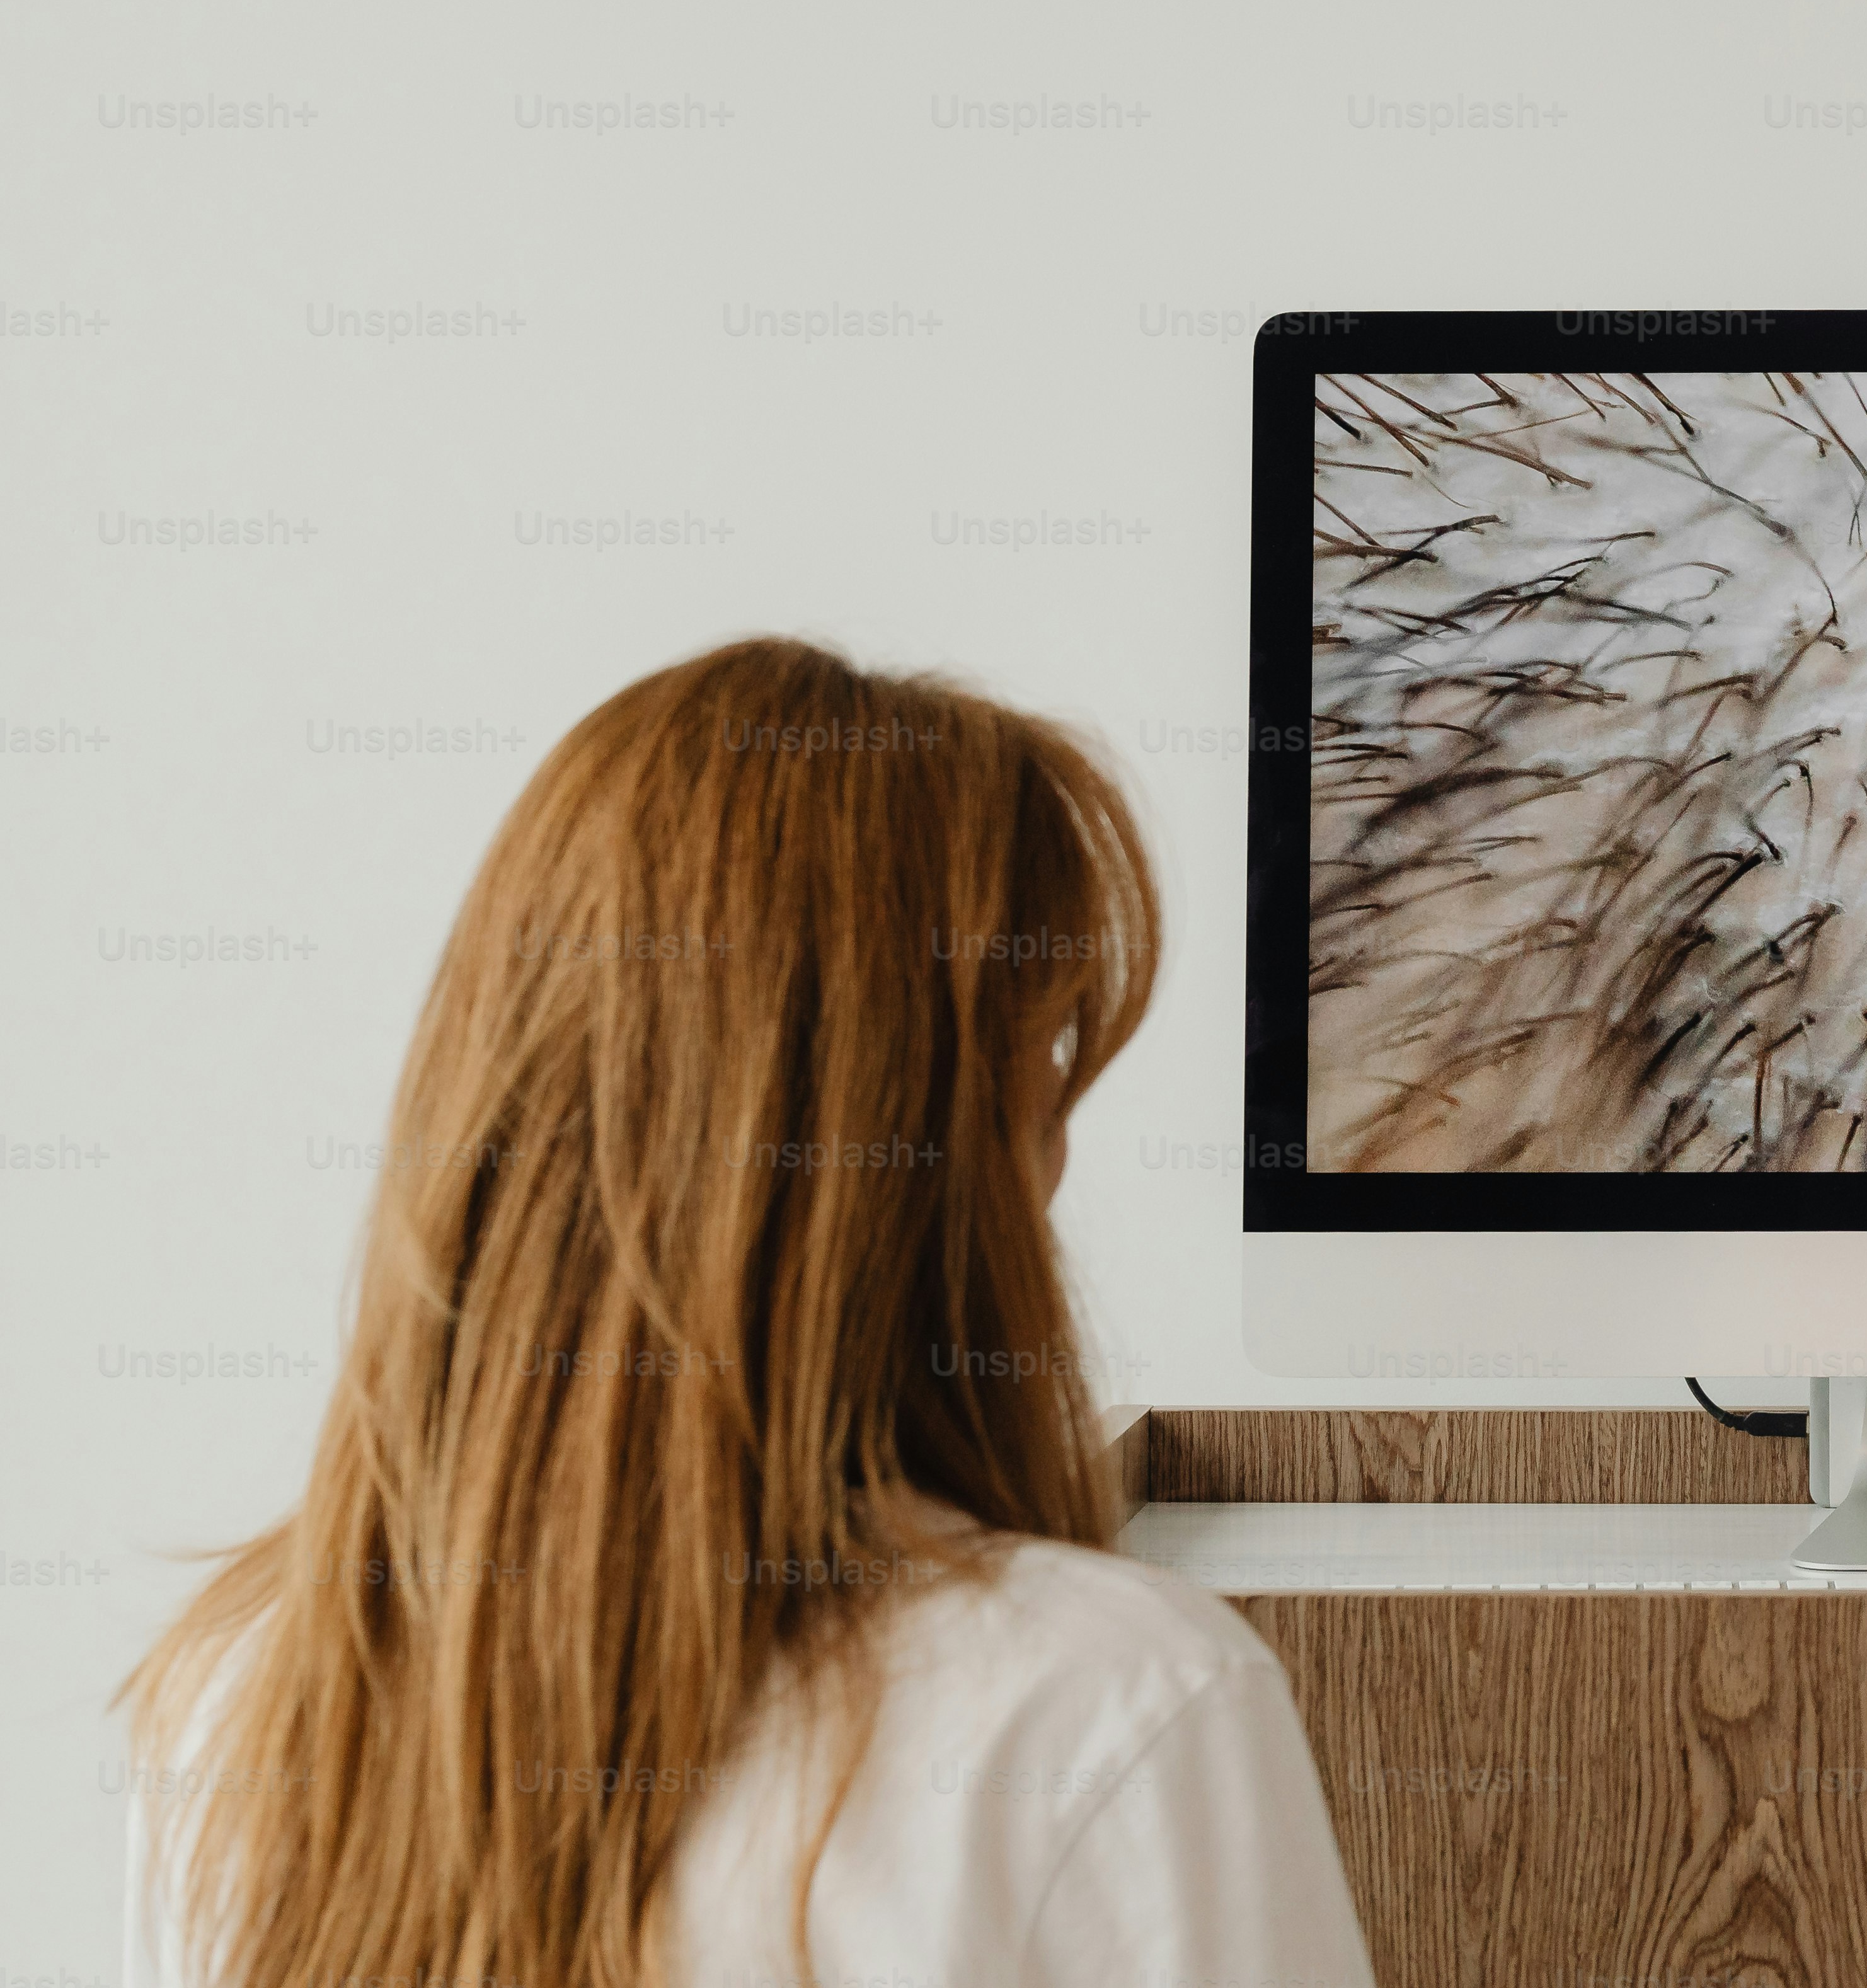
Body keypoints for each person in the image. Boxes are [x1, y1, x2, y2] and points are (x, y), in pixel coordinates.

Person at [120, 639, 1373, 1988]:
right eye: (1046, 1062)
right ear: (928, 1135)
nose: (1059, 1159)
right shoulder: (1110, 1707)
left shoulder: (249, 1690)